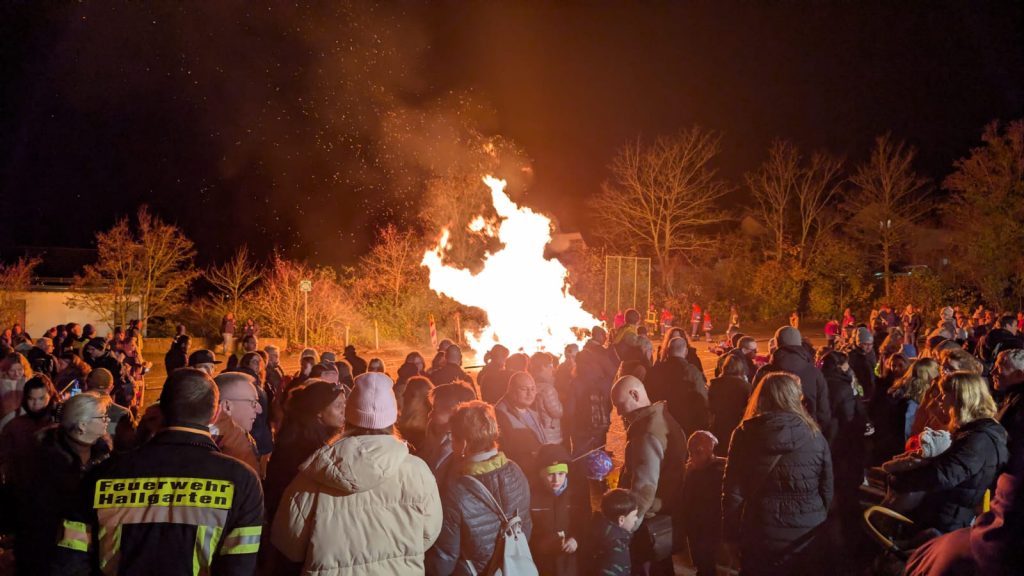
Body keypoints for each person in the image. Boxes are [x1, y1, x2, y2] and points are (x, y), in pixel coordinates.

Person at [54, 368, 264, 575]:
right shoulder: (242, 481)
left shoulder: (102, 474)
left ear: (161, 412)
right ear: (215, 414)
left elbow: (71, 558)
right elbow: (239, 567)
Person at [272, 372, 441, 575]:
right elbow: (429, 533)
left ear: (349, 416)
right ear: (392, 417)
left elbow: (289, 542)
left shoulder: (314, 473)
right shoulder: (418, 471)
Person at [722, 372, 833, 576]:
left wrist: (730, 536)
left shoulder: (744, 435)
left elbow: (733, 493)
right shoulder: (815, 435)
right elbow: (826, 488)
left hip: (761, 531)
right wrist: (817, 517)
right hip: (807, 533)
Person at [890, 372, 1008, 533]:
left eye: (944, 394)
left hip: (945, 521)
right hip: (943, 514)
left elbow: (942, 476)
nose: (939, 400)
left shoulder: (979, 439)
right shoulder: (972, 432)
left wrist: (899, 480)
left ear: (961, 398)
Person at [10, 391, 111, 576]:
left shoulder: (105, 456)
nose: (107, 421)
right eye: (102, 417)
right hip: (50, 558)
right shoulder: (44, 459)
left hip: (92, 558)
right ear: (82, 425)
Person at [426, 400, 533, 575]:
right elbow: (525, 527)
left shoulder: (457, 491)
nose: (451, 443)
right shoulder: (515, 470)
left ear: (464, 444)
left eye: (453, 437)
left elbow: (445, 557)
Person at [610, 375, 687, 575]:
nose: (618, 412)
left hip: (648, 520)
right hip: (665, 513)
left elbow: (644, 488)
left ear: (635, 395)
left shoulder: (646, 432)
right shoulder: (663, 418)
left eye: (620, 405)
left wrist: (629, 527)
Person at [263, 379, 344, 525]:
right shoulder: (303, 449)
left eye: (344, 404)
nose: (344, 410)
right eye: (338, 406)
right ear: (319, 412)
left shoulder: (320, 436)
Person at [528, 443, 590, 576]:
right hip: (542, 562)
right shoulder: (531, 495)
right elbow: (527, 530)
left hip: (571, 562)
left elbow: (585, 521)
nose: (556, 480)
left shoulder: (577, 494)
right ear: (540, 474)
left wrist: (577, 539)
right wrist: (542, 544)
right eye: (550, 474)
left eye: (561, 473)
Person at [753, 326, 831, 430]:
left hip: (770, 430)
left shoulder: (764, 372)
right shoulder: (814, 372)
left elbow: (754, 405)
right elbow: (823, 410)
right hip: (807, 430)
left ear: (776, 343)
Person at [681, 431, 726, 576]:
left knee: (706, 562)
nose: (692, 457)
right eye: (691, 453)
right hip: (702, 527)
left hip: (706, 527)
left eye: (697, 453)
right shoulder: (723, 467)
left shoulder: (708, 472)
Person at [645, 336, 709, 436]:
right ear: (686, 351)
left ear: (667, 351)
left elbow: (647, 395)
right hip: (685, 423)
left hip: (659, 421)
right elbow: (702, 397)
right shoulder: (691, 371)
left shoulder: (655, 371)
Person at [0, 375, 59, 478]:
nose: (36, 403)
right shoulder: (14, 425)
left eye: (41, 398)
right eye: (31, 399)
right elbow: (4, 457)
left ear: (50, 396)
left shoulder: (59, 424)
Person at [571, 326, 618, 454]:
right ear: (598, 335)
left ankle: (588, 456)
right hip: (600, 400)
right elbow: (611, 370)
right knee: (600, 429)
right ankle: (599, 452)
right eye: (604, 335)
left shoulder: (585, 348)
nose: (605, 338)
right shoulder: (600, 352)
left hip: (584, 411)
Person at [419, 381, 477, 481]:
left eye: (435, 409)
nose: (429, 414)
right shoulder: (433, 434)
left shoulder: (464, 448)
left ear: (455, 412)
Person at [494, 371, 549, 470]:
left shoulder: (530, 407)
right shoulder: (500, 415)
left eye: (533, 389)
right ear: (511, 390)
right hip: (522, 470)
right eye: (524, 389)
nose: (530, 394)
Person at [212, 371, 262, 473]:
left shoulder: (233, 436)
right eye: (252, 402)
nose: (259, 410)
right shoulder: (233, 445)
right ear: (227, 406)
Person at [708, 354, 753, 457]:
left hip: (719, 426)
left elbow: (710, 407)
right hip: (737, 427)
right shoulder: (745, 387)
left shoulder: (714, 385)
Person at [86, 368, 137, 451]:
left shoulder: (76, 409)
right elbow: (129, 445)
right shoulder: (123, 413)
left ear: (87, 385)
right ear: (111, 387)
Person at [593, 489, 639, 576]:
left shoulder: (597, 528)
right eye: (634, 515)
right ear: (621, 520)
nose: (636, 518)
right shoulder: (618, 552)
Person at [529, 351, 564, 446]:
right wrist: (561, 401)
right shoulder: (548, 389)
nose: (552, 369)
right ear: (543, 367)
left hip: (536, 433)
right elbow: (557, 412)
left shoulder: (530, 385)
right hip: (550, 434)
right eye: (550, 365)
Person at [396, 375, 433, 451]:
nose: (403, 395)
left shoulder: (418, 432)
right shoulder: (432, 428)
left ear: (414, 395)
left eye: (407, 391)